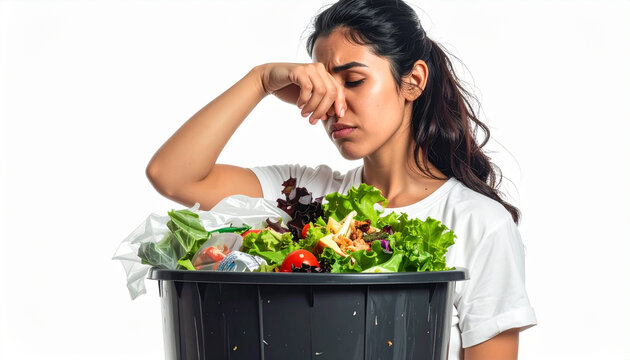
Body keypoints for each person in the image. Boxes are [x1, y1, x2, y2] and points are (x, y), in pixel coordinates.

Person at [145, 0, 537, 358]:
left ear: (413, 80)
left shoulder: (478, 223)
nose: (335, 105)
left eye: (353, 81)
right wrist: (260, 81)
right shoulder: (304, 195)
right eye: (325, 86)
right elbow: (173, 175)